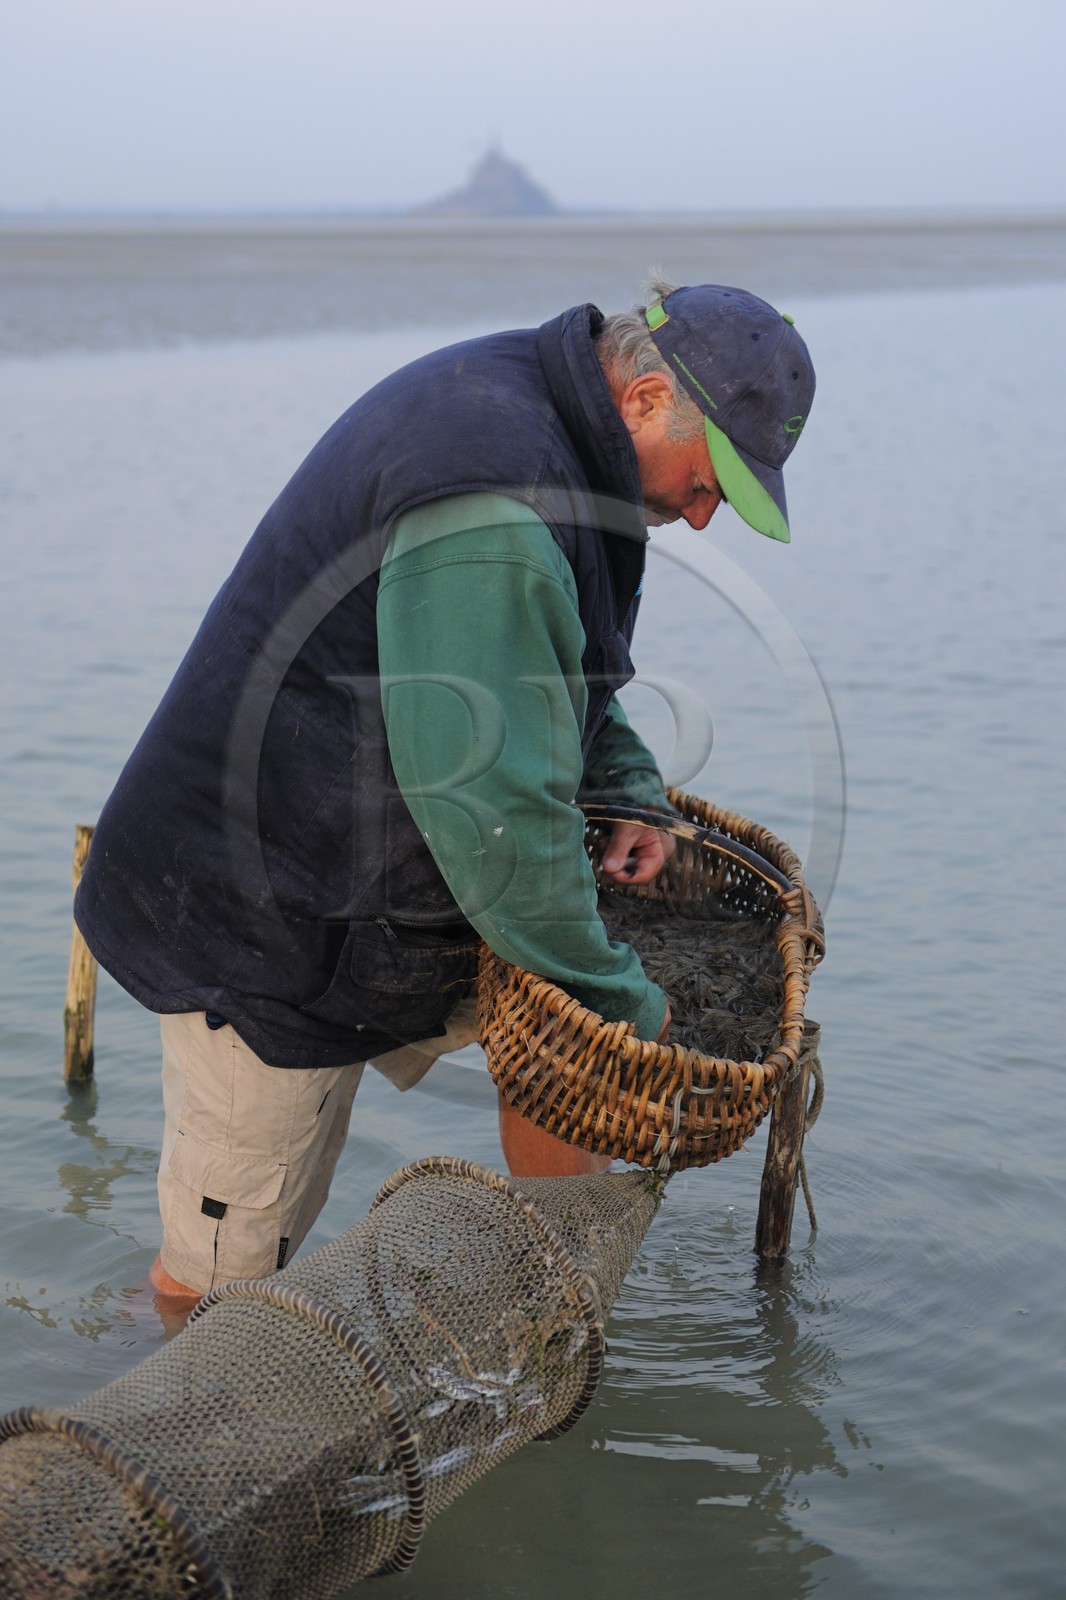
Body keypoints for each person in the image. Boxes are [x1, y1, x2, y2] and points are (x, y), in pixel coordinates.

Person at [74, 278, 815, 1308]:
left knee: (566, 1027)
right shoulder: (492, 494)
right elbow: (496, 819)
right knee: (221, 1280)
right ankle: (167, 1416)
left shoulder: (565, 432)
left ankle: (555, 1312)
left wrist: (629, 787)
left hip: (386, 878)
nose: (702, 514)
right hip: (260, 915)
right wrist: (630, 1006)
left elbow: (547, 676)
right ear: (644, 397)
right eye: (709, 480)